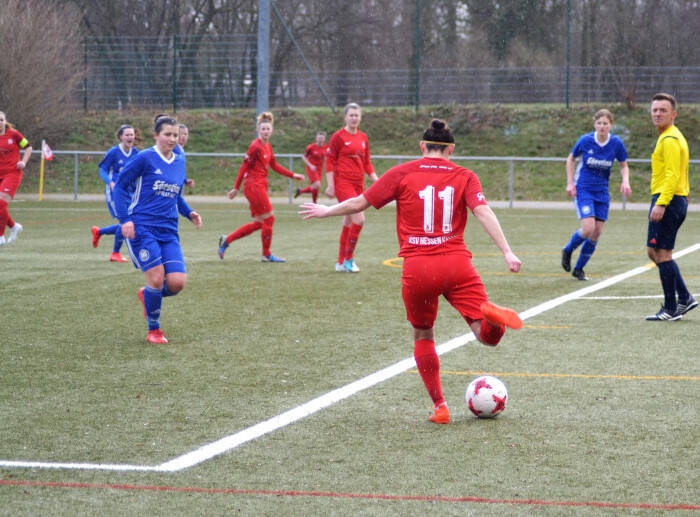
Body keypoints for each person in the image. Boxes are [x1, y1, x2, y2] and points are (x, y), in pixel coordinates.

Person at [300, 119, 523, 424]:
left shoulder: (402, 173)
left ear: (422, 146)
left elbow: (360, 202)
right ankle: (493, 321)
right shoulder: (465, 176)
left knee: (423, 333)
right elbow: (483, 211)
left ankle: (440, 407)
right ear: (451, 149)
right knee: (486, 337)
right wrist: (507, 251)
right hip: (456, 264)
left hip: (418, 268)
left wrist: (327, 210)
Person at [112, 115, 202, 344]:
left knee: (177, 283)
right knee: (157, 277)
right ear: (156, 135)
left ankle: (147, 295)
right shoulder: (145, 158)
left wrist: (189, 212)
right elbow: (120, 186)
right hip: (142, 227)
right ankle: (154, 329)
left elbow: (176, 194)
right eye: (167, 134)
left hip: (169, 231)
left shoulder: (179, 161)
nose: (172, 139)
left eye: (175, 135)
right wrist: (125, 219)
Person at [218, 111, 304, 263]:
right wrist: (236, 188)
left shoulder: (267, 146)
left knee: (260, 222)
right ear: (258, 130)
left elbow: (274, 165)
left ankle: (227, 240)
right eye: (263, 129)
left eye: (268, 129)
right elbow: (244, 167)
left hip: (260, 185)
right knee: (269, 218)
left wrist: (293, 175)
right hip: (253, 186)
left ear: (272, 131)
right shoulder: (255, 146)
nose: (265, 131)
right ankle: (266, 254)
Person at [561, 109, 631, 280]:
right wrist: (570, 182)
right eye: (599, 123)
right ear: (594, 124)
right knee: (588, 228)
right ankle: (568, 249)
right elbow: (570, 159)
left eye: (605, 123)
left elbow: (623, 165)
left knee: (597, 232)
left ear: (610, 125)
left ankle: (579, 269)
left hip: (602, 192)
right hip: (584, 189)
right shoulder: (585, 140)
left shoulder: (616, 143)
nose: (602, 126)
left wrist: (625, 181)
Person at [644, 93, 697, 321]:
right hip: (672, 198)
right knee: (654, 251)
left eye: (663, 110)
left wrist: (662, 203)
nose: (657, 114)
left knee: (662, 254)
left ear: (673, 114)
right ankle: (684, 297)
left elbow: (673, 174)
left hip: (668, 200)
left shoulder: (670, 139)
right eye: (655, 110)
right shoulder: (669, 136)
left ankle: (671, 308)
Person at [325, 103, 378, 272]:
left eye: (357, 115)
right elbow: (330, 162)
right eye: (351, 115)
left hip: (358, 185)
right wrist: (331, 185)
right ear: (345, 117)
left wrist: (376, 180)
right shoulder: (338, 137)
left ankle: (340, 262)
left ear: (360, 117)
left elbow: (367, 162)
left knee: (348, 221)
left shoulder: (363, 137)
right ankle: (349, 259)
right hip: (343, 184)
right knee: (359, 220)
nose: (354, 118)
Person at [91, 124, 139, 262]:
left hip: (130, 192)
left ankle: (99, 232)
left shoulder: (136, 153)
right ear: (121, 137)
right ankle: (115, 253)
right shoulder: (114, 152)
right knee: (125, 222)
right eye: (127, 135)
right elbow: (102, 170)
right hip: (115, 193)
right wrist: (110, 183)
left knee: (131, 222)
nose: (130, 137)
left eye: (132, 134)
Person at [0, 111, 32, 247]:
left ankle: (0, 236)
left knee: (1, 203)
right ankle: (13, 226)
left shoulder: (14, 135)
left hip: (12, 173)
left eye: (1, 120)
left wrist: (23, 162)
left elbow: (28, 147)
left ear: (5, 121)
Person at [295, 131, 328, 203]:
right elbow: (304, 157)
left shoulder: (326, 147)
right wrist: (310, 165)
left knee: (316, 187)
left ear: (324, 139)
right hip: (311, 169)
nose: (320, 140)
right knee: (317, 184)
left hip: (319, 169)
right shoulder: (311, 147)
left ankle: (313, 202)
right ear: (316, 138)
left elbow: (326, 156)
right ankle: (302, 192)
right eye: (319, 138)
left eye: (322, 138)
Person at [175, 122, 195, 188]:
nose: (183, 136)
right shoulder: (173, 149)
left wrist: (185, 180)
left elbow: (178, 169)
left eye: (185, 134)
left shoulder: (181, 150)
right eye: (181, 134)